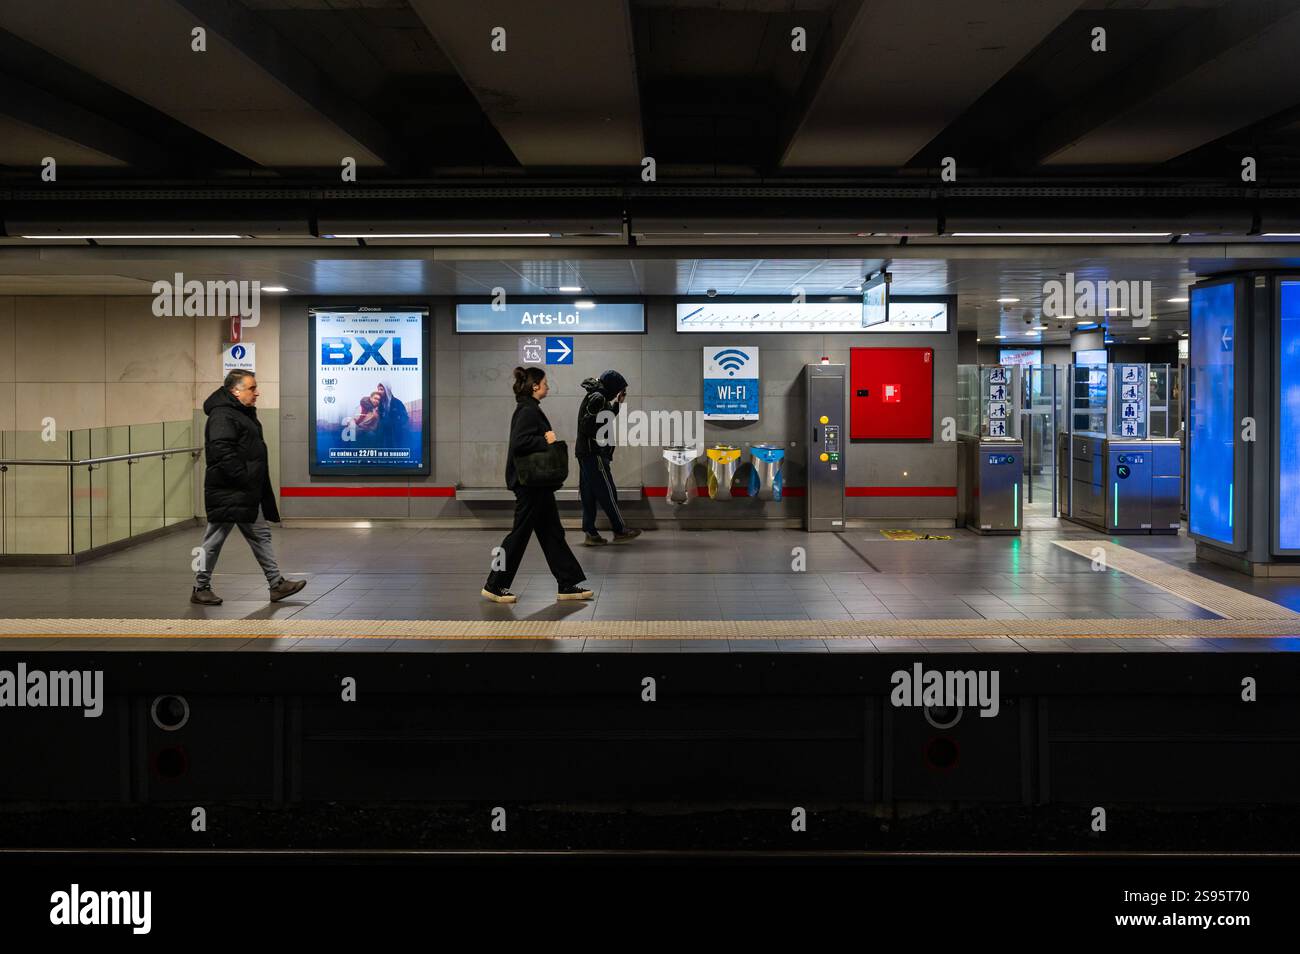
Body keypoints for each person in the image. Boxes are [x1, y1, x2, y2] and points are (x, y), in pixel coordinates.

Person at [191, 371, 307, 605]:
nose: (257, 393)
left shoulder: (240, 413)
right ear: (236, 391)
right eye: (252, 388)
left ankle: (276, 584)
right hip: (228, 491)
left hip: (244, 491)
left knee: (260, 535)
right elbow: (222, 452)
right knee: (212, 541)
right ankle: (200, 587)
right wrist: (243, 478)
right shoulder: (222, 415)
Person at [481, 367, 594, 604]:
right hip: (529, 484)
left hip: (537, 484)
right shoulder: (527, 410)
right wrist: (545, 439)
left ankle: (567, 583)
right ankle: (494, 584)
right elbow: (519, 442)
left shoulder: (530, 408)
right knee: (518, 535)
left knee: (552, 532)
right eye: (544, 382)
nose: (547, 386)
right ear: (535, 386)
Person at [576, 370, 642, 546]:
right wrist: (600, 440)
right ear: (613, 387)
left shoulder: (599, 397)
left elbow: (602, 418)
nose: (619, 393)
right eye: (619, 389)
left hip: (586, 453)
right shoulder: (598, 398)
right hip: (594, 453)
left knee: (589, 494)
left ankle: (590, 533)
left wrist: (617, 404)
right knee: (607, 492)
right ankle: (619, 530)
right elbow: (587, 425)